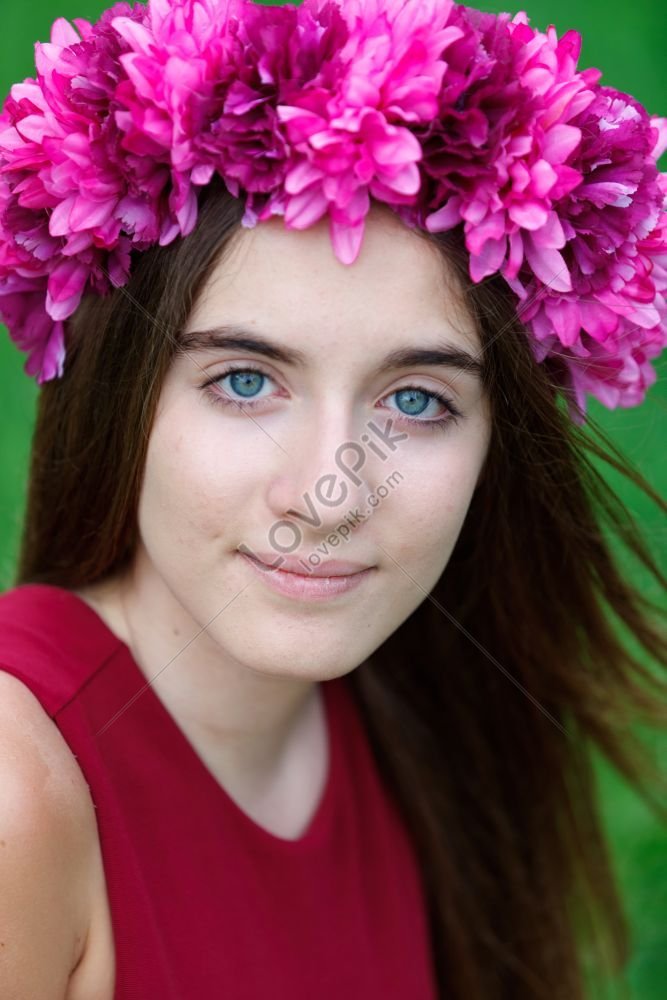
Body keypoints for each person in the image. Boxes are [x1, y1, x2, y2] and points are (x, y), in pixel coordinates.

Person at [0, 1, 665, 998]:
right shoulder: (21, 799)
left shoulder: (422, 725)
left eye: (414, 399)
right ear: (120, 393)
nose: (326, 492)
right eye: (244, 380)